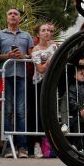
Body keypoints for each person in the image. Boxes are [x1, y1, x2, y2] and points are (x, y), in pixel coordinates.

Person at [0, 8, 33, 159]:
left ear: (19, 18)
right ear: (6, 18)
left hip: (22, 77)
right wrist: (7, 56)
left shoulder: (27, 35)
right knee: (8, 111)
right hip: (6, 76)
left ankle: (22, 147)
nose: (13, 16)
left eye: (15, 14)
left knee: (21, 112)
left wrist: (24, 56)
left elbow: (32, 54)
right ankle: (9, 147)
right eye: (10, 13)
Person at [30, 22, 58, 158]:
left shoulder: (54, 46)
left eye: (48, 30)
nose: (47, 32)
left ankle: (50, 144)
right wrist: (51, 59)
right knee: (38, 114)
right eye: (43, 30)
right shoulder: (35, 50)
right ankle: (36, 144)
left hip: (52, 83)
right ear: (38, 34)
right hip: (39, 84)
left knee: (51, 113)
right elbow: (40, 69)